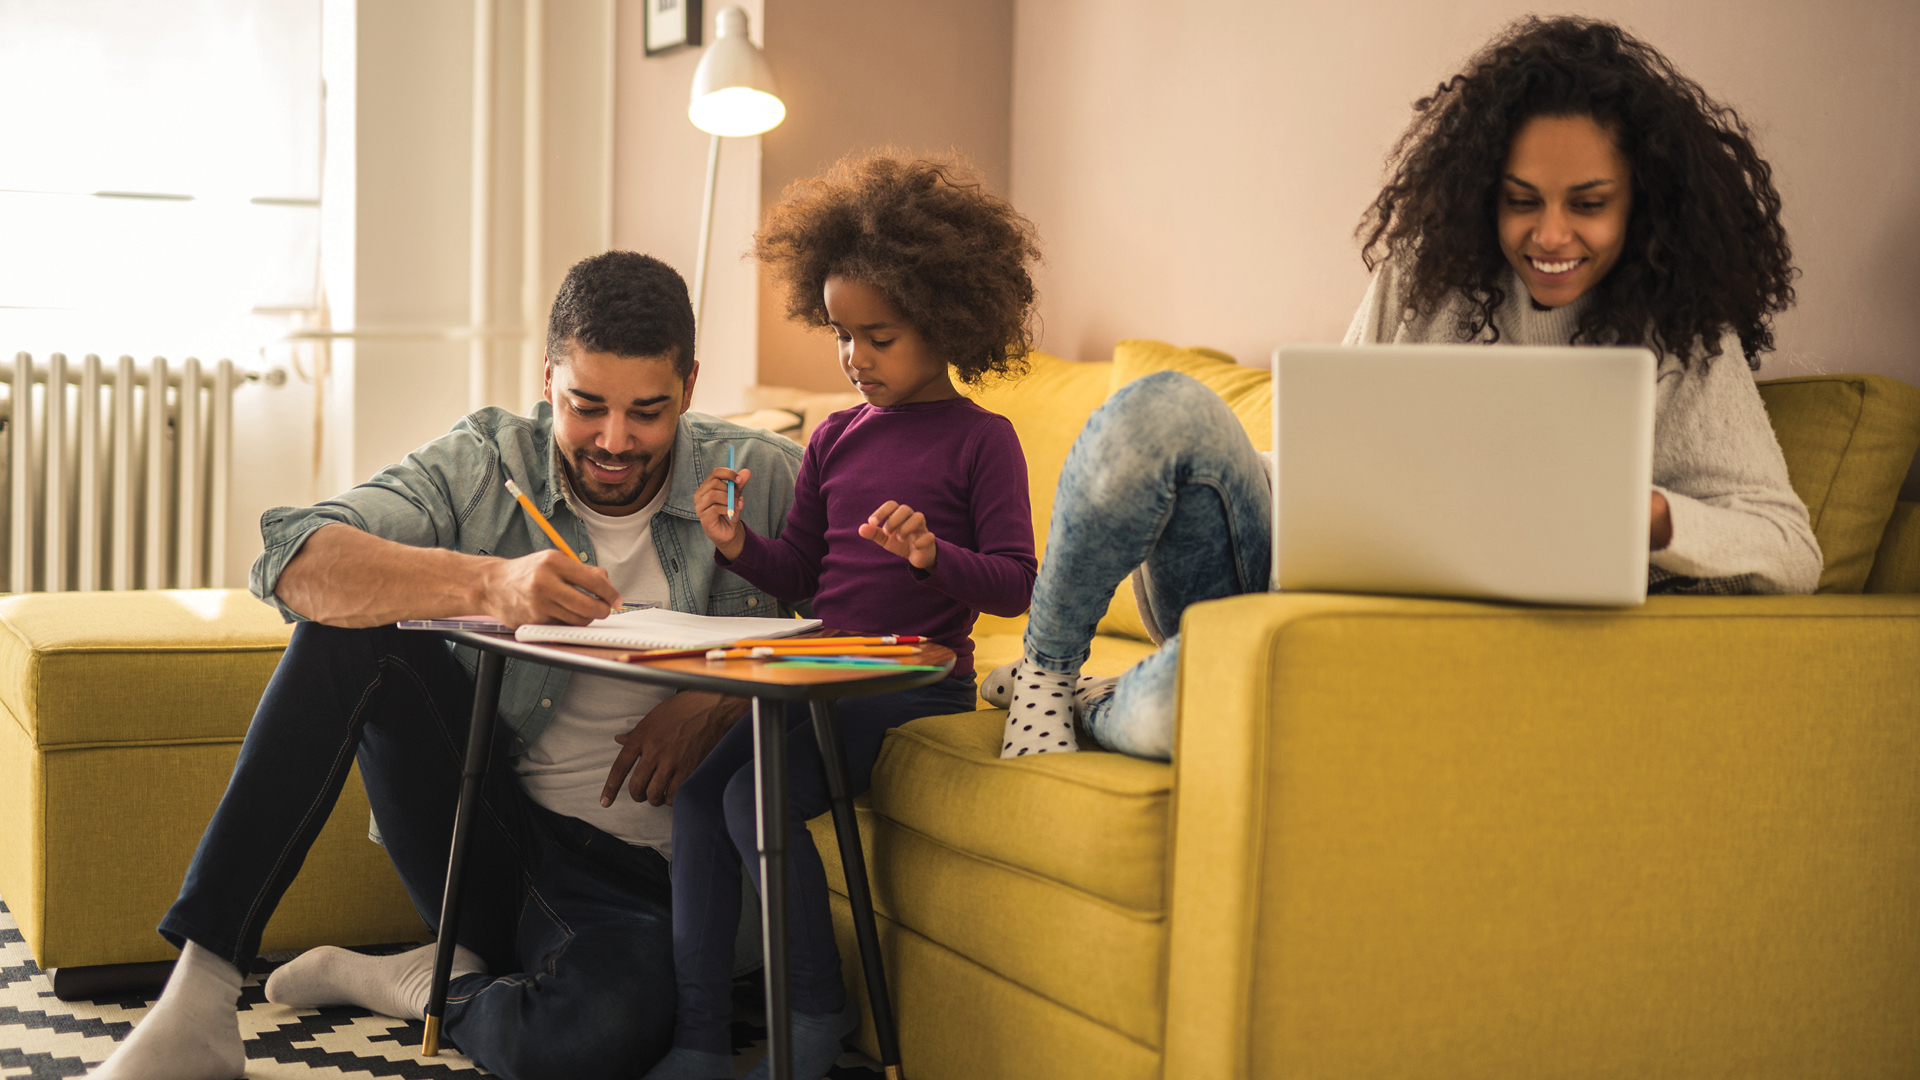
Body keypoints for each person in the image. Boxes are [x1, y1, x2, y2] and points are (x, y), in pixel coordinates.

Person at [982, 15, 1822, 762]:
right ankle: (1048, 678)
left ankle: (1107, 703)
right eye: (1521, 201)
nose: (1552, 234)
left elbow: (1790, 549)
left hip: (1379, 646)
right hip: (1284, 573)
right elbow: (1335, 452)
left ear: (1644, 202)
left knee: (1184, 707)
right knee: (1160, 406)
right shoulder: (1426, 275)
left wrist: (1654, 516)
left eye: (1589, 204)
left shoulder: (1686, 337)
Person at [89, 251, 806, 1080]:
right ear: (548, 379)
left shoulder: (765, 481)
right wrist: (490, 581)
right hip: (495, 841)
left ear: (689, 385)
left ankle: (428, 982)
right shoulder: (483, 464)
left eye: (647, 412)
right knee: (350, 634)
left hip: (660, 886)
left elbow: (891, 630)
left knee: (590, 1039)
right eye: (586, 407)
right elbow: (294, 558)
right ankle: (200, 997)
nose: (614, 442)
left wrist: (725, 698)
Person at [641, 154, 1041, 1080]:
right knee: (702, 794)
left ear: (945, 324)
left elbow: (1017, 584)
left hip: (911, 683)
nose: (855, 358)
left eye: (879, 336)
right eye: (840, 335)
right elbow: (801, 579)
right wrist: (737, 541)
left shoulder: (985, 441)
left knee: (751, 796)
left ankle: (816, 1016)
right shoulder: (833, 436)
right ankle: (700, 1038)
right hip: (824, 671)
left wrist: (933, 555)